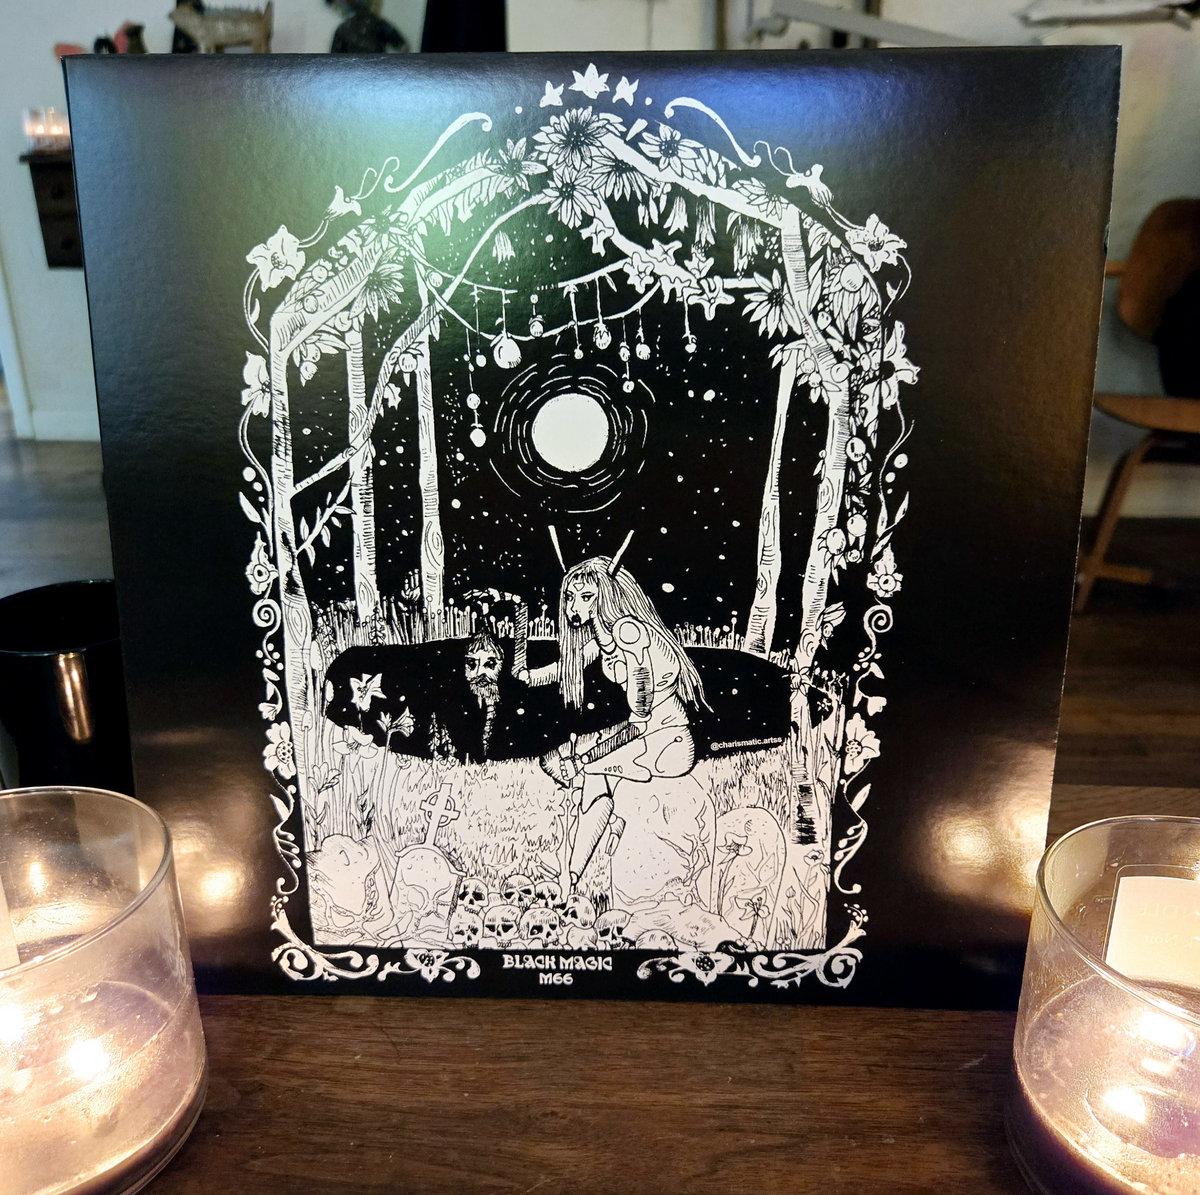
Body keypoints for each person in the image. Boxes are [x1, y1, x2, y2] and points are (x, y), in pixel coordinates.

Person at [524, 553, 714, 910]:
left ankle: (575, 871)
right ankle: (573, 874)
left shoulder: (630, 632)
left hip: (668, 741)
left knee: (591, 771)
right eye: (570, 597)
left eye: (586, 597)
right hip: (648, 735)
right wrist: (528, 677)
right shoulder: (608, 637)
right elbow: (568, 666)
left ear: (607, 595)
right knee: (577, 771)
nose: (574, 606)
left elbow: (638, 719)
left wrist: (586, 760)